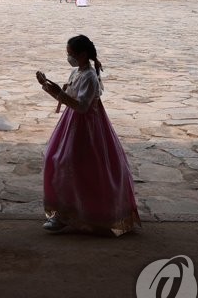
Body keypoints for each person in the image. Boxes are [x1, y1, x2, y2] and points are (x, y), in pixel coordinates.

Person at [35, 35, 140, 236]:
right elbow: (67, 98)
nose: (69, 58)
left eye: (71, 54)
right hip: (71, 123)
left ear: (83, 54)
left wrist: (59, 93)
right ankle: (64, 211)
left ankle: (75, 213)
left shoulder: (90, 78)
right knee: (55, 159)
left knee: (73, 164)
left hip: (87, 127)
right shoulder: (76, 72)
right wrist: (46, 85)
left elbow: (82, 106)